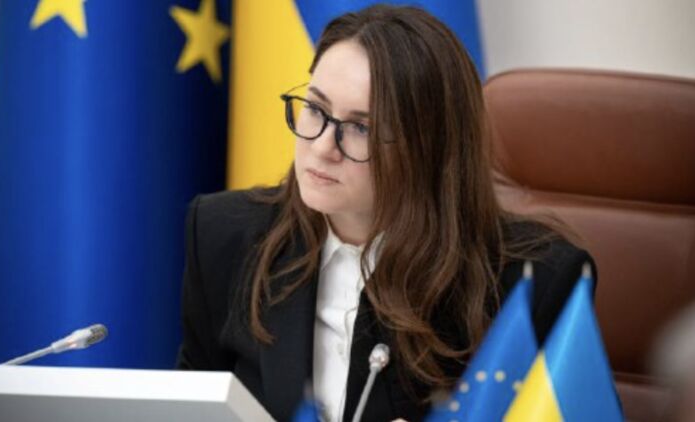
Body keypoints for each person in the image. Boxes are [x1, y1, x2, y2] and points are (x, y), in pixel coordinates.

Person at [176, 4, 594, 422]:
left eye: (362, 128)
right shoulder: (224, 235)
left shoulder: (534, 282)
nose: (322, 147)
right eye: (316, 109)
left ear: (429, 151)